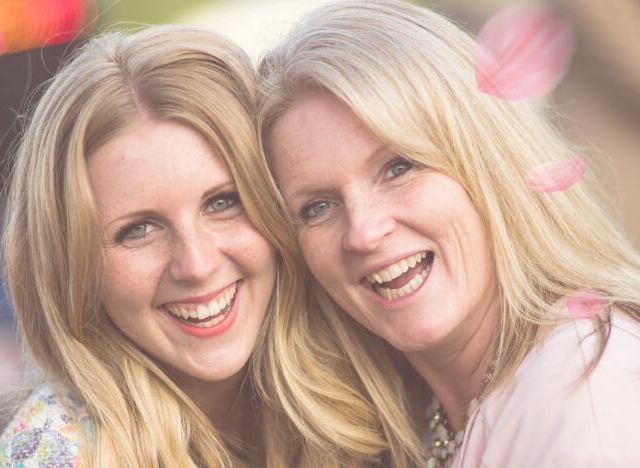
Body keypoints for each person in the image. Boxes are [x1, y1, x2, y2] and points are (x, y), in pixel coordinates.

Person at [0, 25, 398, 468]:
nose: (197, 264)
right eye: (139, 230)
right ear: (69, 265)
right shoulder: (58, 455)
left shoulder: (375, 368)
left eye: (223, 203)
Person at [256, 1, 640, 467]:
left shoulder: (587, 392)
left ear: (483, 162)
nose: (364, 232)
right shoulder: (424, 407)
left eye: (398, 168)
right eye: (317, 207)